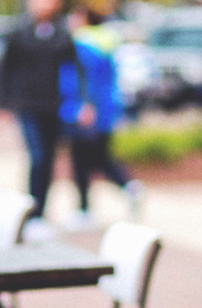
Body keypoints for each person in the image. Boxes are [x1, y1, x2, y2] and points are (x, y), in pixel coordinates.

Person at [0, 0, 84, 240]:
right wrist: (0, 105)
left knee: (50, 159)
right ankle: (31, 214)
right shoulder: (17, 32)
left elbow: (76, 69)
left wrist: (83, 102)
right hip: (27, 105)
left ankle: (41, 213)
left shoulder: (62, 33)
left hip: (53, 106)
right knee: (38, 157)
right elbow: (4, 69)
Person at [58, 6, 143, 231]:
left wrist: (83, 107)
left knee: (81, 162)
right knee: (102, 158)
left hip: (85, 112)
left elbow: (81, 79)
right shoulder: (108, 42)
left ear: (84, 18)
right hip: (106, 111)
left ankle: (84, 210)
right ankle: (129, 187)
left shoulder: (82, 45)